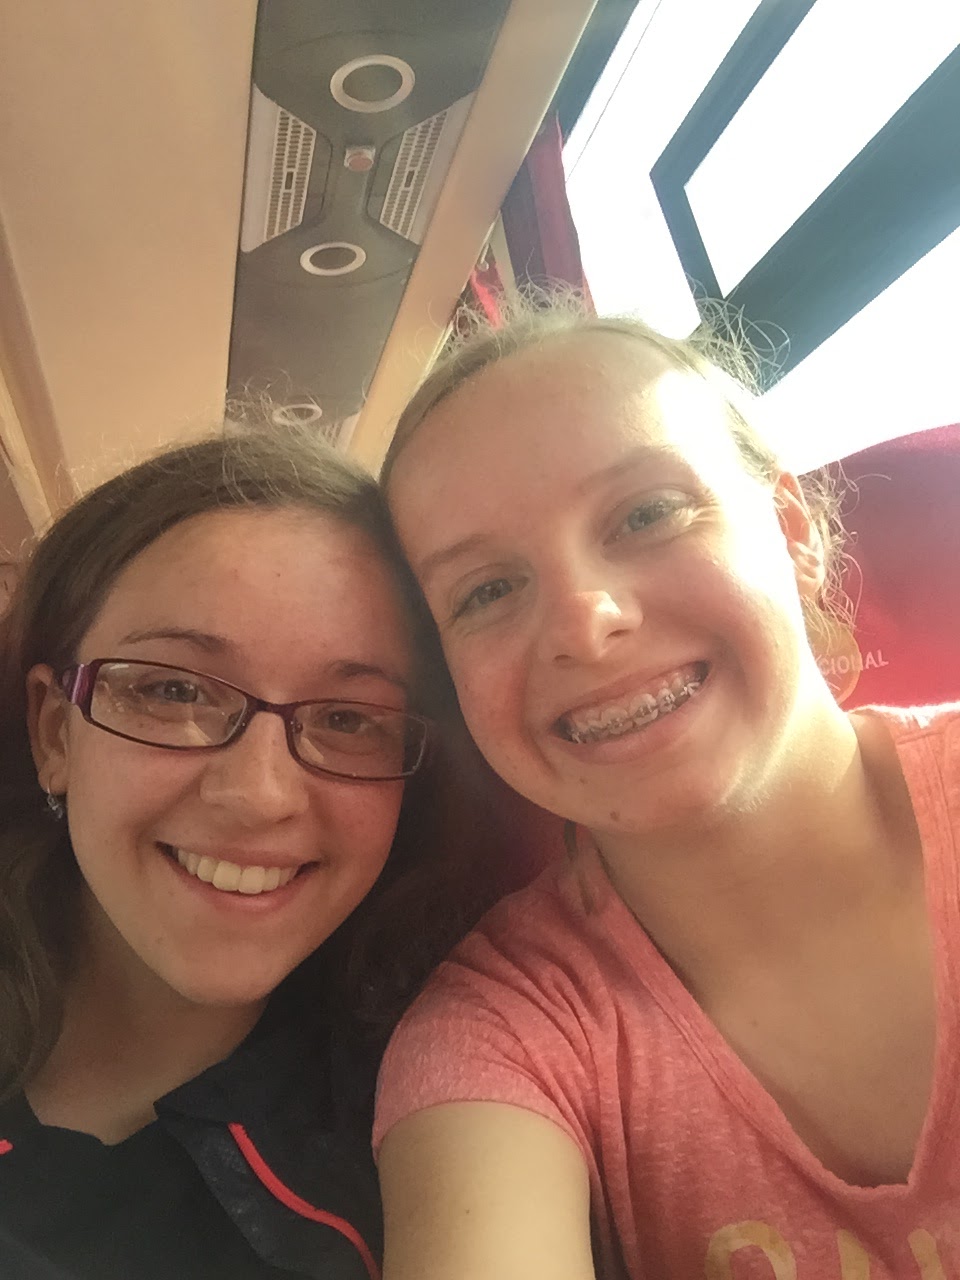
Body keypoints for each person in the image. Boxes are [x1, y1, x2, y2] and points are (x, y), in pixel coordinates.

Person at [373, 300, 960, 1279]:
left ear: (793, 532)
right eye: (486, 589)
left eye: (647, 514)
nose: (585, 620)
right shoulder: (499, 1032)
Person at [0, 427, 478, 1280]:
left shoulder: (437, 1134)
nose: (259, 794)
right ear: (54, 734)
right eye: (173, 690)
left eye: (348, 719)